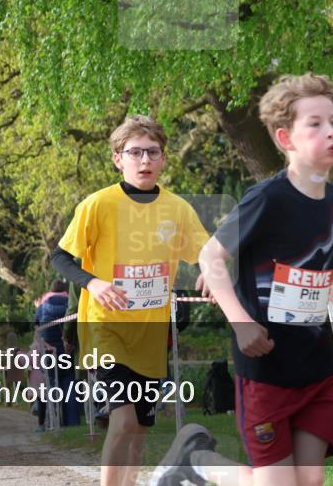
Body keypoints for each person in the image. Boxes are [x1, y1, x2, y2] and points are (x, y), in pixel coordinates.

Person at [150, 74, 333, 486]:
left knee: (310, 481)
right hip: (266, 369)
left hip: (315, 367)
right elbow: (210, 256)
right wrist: (241, 323)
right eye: (314, 124)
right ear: (285, 138)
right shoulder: (268, 198)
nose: (331, 130)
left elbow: (320, 272)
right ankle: (197, 462)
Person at [51, 115, 210, 486]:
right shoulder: (97, 204)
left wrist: (208, 269)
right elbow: (59, 257)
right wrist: (94, 283)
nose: (145, 160)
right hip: (106, 327)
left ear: (163, 158)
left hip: (151, 335)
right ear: (117, 158)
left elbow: (207, 251)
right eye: (135, 152)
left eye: (152, 152)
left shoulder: (178, 209)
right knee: (122, 421)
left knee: (139, 429)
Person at [33, 279, 78, 430]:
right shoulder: (71, 306)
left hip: (49, 352)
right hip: (68, 351)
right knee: (69, 384)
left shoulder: (43, 307)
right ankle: (72, 423)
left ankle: (53, 421)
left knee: (50, 383)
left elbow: (37, 329)